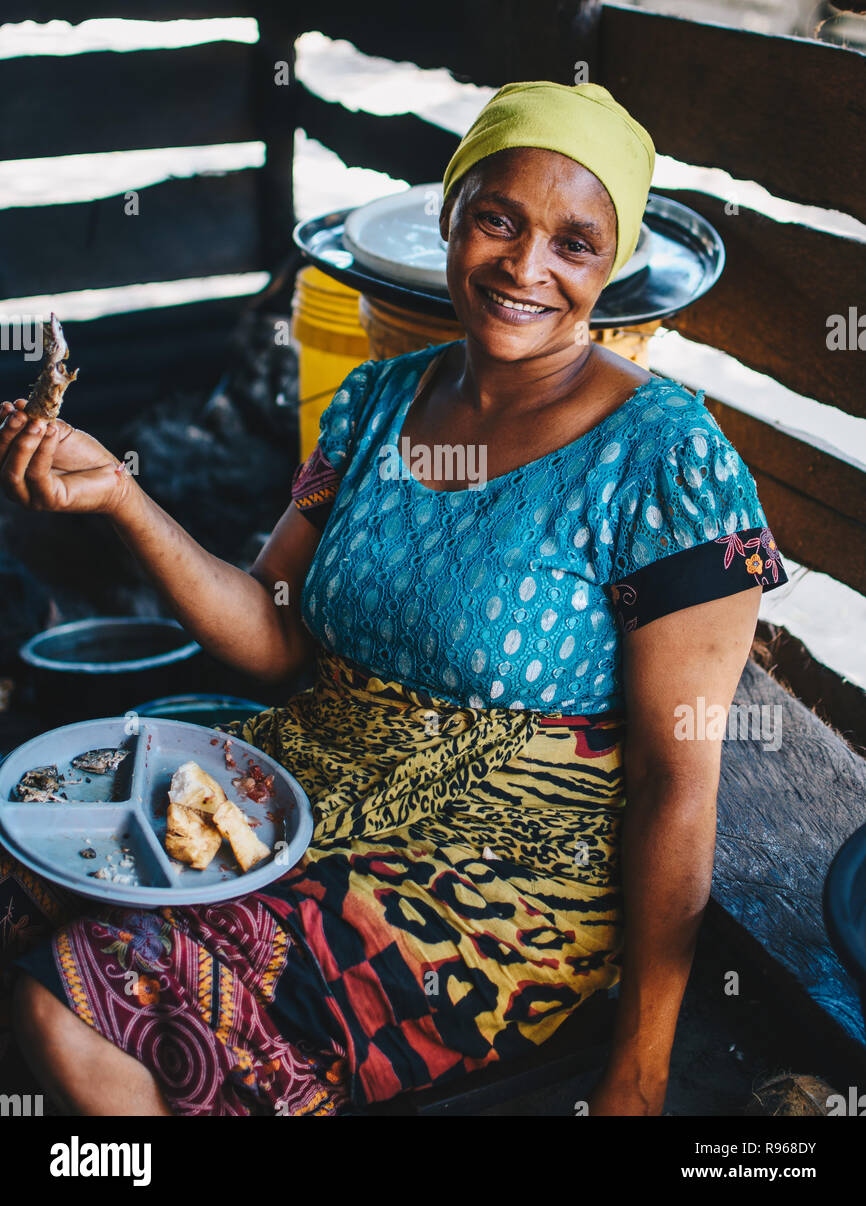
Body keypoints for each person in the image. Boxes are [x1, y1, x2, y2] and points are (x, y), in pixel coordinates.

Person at [0, 82, 787, 1117]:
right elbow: (276, 638)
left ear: (615, 262)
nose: (523, 266)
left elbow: (675, 786)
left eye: (574, 243)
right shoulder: (377, 401)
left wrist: (636, 1077)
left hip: (501, 880)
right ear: (450, 216)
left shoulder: (668, 461)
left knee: (79, 996)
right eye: (496, 218)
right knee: (24, 876)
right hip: (309, 778)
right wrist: (121, 496)